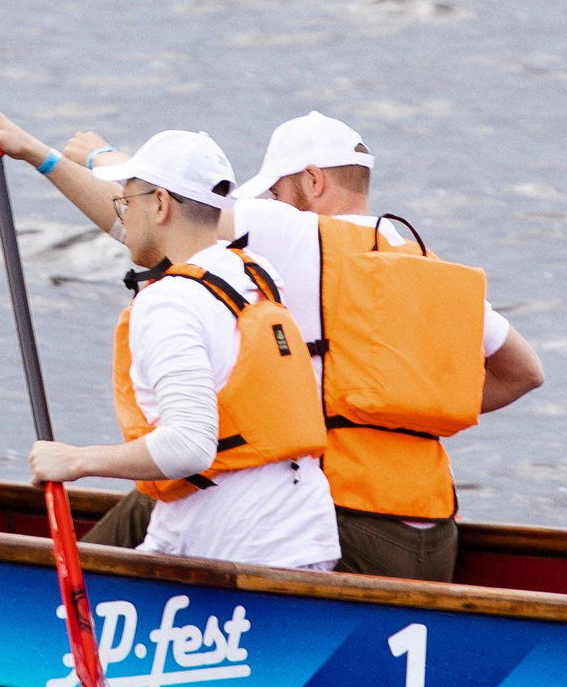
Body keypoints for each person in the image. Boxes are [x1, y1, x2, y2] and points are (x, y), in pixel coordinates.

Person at [0, 110, 544, 580]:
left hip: (339, 518)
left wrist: (65, 155)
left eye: (273, 189)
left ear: (313, 181)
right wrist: (405, 411)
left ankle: (41, 624)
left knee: (171, 487)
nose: (261, 204)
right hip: (432, 527)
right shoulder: (421, 262)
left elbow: (168, 218)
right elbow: (524, 372)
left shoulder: (292, 232)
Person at [21, 130, 340, 569]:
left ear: (160, 205)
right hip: (304, 535)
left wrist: (75, 461)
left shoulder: (170, 301)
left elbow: (189, 447)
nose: (123, 216)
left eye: (126, 202)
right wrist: (33, 153)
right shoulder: (255, 273)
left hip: (238, 552)